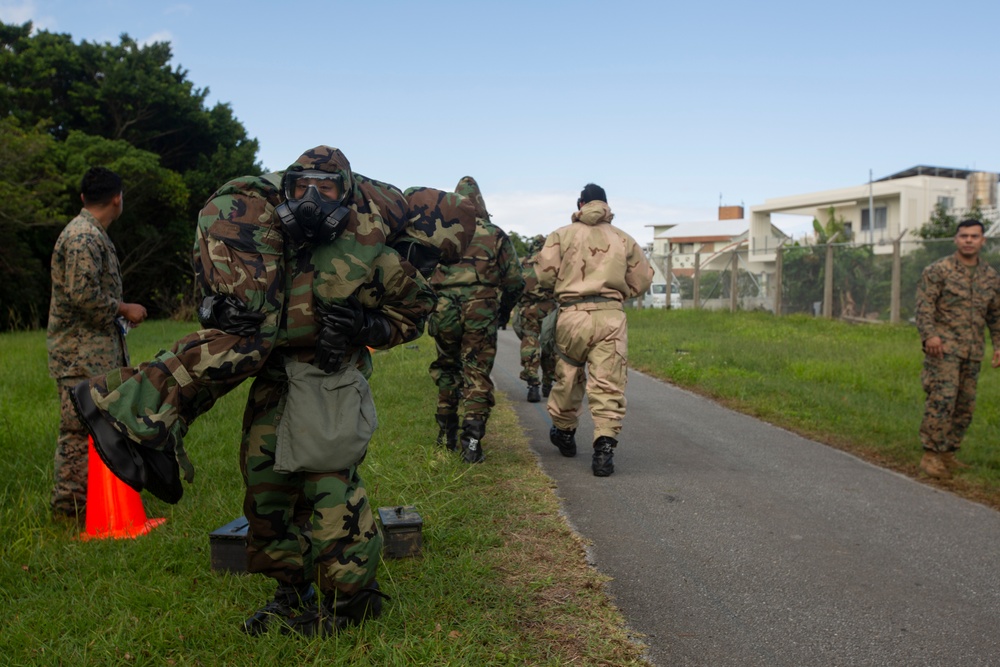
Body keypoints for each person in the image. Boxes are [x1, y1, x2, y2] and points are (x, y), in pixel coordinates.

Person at [73, 146, 443, 636]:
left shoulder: (369, 252)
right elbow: (226, 299)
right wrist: (217, 312)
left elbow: (415, 311)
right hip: (272, 379)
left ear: (346, 196)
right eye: (300, 188)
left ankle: (351, 602)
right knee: (266, 493)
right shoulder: (259, 241)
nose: (311, 199)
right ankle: (292, 592)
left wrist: (364, 324)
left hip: (328, 381)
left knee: (330, 492)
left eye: (326, 189)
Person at [46, 166, 147, 521]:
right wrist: (125, 308)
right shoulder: (83, 238)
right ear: (117, 199)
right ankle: (71, 510)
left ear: (83, 198)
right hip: (79, 356)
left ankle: (101, 507)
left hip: (93, 354)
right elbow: (82, 296)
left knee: (97, 428)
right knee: (77, 432)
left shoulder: (90, 234)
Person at [536, 183, 653, 477]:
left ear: (580, 204)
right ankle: (604, 448)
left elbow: (544, 276)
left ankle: (564, 432)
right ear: (605, 206)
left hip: (572, 315)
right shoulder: (623, 239)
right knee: (608, 383)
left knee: (568, 375)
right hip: (611, 316)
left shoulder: (561, 235)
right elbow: (643, 280)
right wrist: (616, 291)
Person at [428, 176, 524, 463]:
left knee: (447, 366)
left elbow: (419, 272)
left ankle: (446, 433)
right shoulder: (494, 234)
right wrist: (503, 311)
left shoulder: (438, 233)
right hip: (481, 307)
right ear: (482, 203)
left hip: (443, 306)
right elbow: (516, 280)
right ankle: (471, 442)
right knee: (476, 371)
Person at [915, 218, 1000, 480]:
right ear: (956, 239)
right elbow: (924, 306)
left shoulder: (990, 277)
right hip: (943, 350)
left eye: (974, 236)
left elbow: (995, 315)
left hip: (973, 351)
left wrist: (998, 344)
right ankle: (931, 454)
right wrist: (930, 336)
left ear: (982, 241)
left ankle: (949, 453)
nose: (969, 240)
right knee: (942, 400)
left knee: (965, 406)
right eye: (964, 236)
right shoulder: (938, 270)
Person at [515, 234, 557, 402]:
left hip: (527, 308)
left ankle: (533, 384)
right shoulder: (554, 263)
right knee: (550, 344)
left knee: (530, 341)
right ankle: (548, 383)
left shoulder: (521, 262)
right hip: (550, 308)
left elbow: (513, 283)